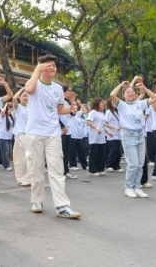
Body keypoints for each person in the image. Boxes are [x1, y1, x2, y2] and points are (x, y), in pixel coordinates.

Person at [24, 55, 81, 218]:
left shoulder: (57, 88)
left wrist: (70, 109)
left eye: (54, 66)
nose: (53, 68)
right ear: (40, 67)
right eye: (48, 65)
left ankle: (62, 207)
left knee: (57, 170)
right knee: (37, 169)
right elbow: (29, 90)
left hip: (53, 132)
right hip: (34, 132)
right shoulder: (34, 83)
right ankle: (36, 200)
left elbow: (59, 109)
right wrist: (36, 70)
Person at [109, 77, 156, 199]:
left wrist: (144, 88)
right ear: (123, 95)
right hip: (128, 135)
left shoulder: (139, 104)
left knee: (141, 163)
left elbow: (155, 98)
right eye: (127, 92)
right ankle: (129, 187)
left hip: (140, 135)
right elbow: (112, 94)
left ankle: (137, 187)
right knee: (133, 164)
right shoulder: (122, 105)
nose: (130, 93)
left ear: (136, 94)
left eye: (132, 92)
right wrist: (121, 84)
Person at [11, 87, 31, 187]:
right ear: (20, 97)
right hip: (20, 135)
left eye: (27, 96)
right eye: (24, 96)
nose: (26, 97)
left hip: (30, 135)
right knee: (19, 158)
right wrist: (23, 88)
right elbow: (14, 98)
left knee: (28, 157)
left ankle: (27, 178)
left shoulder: (31, 107)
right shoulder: (18, 107)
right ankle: (21, 178)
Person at [86, 98, 109, 176]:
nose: (103, 104)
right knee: (94, 154)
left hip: (102, 137)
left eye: (103, 103)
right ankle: (92, 170)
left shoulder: (102, 113)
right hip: (95, 137)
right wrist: (96, 128)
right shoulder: (93, 112)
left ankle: (100, 168)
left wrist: (107, 131)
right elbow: (88, 121)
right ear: (97, 103)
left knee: (102, 154)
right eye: (101, 103)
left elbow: (103, 124)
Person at [104, 100, 123, 173]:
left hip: (118, 134)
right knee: (113, 150)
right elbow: (105, 123)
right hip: (111, 134)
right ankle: (109, 165)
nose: (115, 104)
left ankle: (116, 166)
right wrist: (114, 128)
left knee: (118, 150)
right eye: (113, 102)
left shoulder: (117, 112)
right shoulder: (109, 112)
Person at [0, 102, 14, 172]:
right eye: (8, 109)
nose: (9, 110)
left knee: (8, 151)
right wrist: (5, 105)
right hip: (3, 137)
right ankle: (6, 165)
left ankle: (1, 162)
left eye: (10, 109)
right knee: (5, 151)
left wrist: (11, 106)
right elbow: (2, 111)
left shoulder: (11, 116)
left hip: (9, 137)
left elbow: (15, 108)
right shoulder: (3, 116)